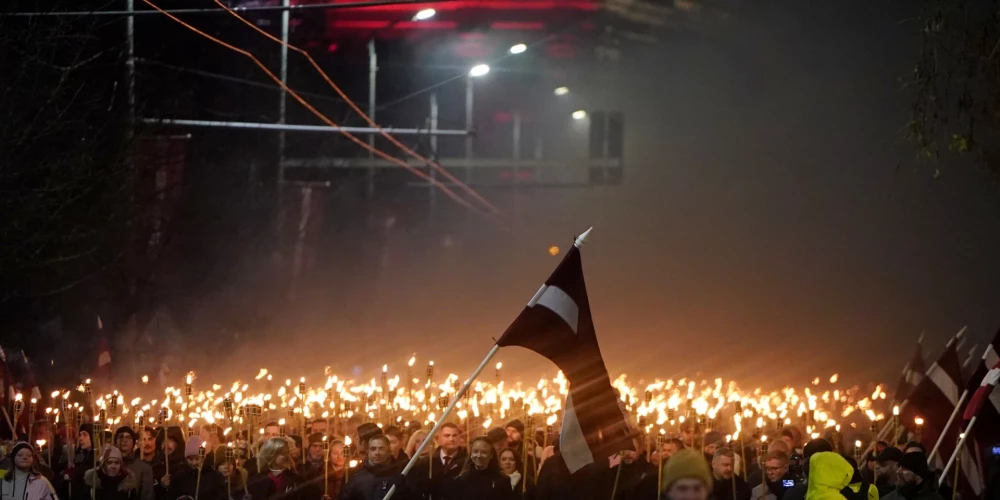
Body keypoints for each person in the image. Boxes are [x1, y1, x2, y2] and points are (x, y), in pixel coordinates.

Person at [338, 434, 410, 500]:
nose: (377, 453)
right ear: (368, 452)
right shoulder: (357, 479)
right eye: (373, 449)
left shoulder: (399, 478)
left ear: (389, 451)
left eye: (381, 449)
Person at [406, 423, 465, 498]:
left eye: (455, 435)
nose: (451, 439)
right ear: (439, 439)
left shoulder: (466, 462)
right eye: (447, 435)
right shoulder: (425, 463)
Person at [245, 437, 314, 500]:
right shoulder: (255, 482)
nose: (286, 456)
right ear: (271, 455)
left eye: (287, 452)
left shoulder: (297, 480)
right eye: (281, 453)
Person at [445, 437, 512, 500]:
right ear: (471, 453)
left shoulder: (502, 481)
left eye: (484, 452)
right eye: (475, 451)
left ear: (491, 455)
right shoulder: (461, 479)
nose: (479, 456)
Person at [114, 427, 154, 500]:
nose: (124, 440)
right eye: (120, 437)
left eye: (128, 437)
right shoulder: (109, 464)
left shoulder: (144, 468)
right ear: (115, 441)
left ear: (133, 442)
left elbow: (147, 495)